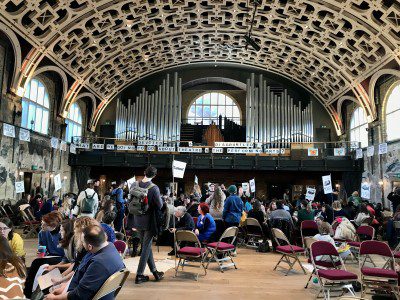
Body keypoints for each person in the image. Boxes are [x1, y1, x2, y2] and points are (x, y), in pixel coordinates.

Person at [44, 225, 125, 300]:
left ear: (90, 246)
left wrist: (55, 298)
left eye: (82, 242)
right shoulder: (110, 247)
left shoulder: (99, 263)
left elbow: (79, 295)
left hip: (82, 296)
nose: (81, 244)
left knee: (46, 294)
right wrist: (66, 285)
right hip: (90, 292)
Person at [131, 166, 164, 284]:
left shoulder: (134, 185)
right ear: (154, 175)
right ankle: (139, 275)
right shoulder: (154, 188)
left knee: (147, 245)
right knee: (145, 247)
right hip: (149, 220)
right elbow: (160, 205)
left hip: (137, 218)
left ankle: (155, 272)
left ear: (144, 173)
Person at [24, 211, 64, 298]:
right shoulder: (42, 233)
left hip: (62, 257)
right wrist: (40, 252)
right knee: (36, 262)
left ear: (52, 226)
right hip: (50, 256)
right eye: (42, 223)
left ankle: (31, 293)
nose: (42, 226)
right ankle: (28, 291)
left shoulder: (62, 233)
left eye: (45, 224)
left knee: (38, 264)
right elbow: (42, 247)